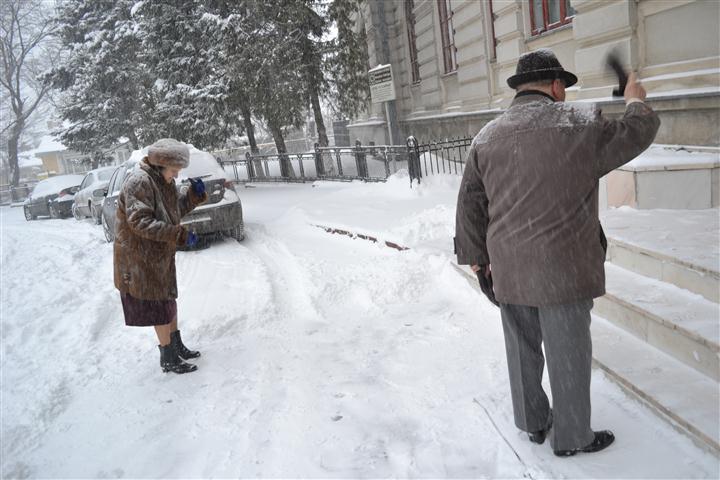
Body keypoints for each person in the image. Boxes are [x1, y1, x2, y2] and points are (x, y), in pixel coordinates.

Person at [455, 49, 660, 456]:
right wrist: (635, 98)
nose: (565, 94)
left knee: (522, 352)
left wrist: (478, 260)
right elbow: (638, 131)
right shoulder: (579, 124)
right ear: (554, 86)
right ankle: (572, 438)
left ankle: (533, 423)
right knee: (568, 355)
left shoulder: (486, 136)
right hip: (564, 269)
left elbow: (470, 204)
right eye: (564, 87)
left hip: (509, 270)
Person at [114, 138, 208, 374]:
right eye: (174, 171)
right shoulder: (140, 182)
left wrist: (193, 196)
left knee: (167, 300)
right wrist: (178, 234)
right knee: (158, 306)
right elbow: (140, 223)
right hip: (140, 258)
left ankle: (175, 345)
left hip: (157, 255)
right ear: (161, 165)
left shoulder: (160, 181)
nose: (176, 176)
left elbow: (172, 211)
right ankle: (167, 355)